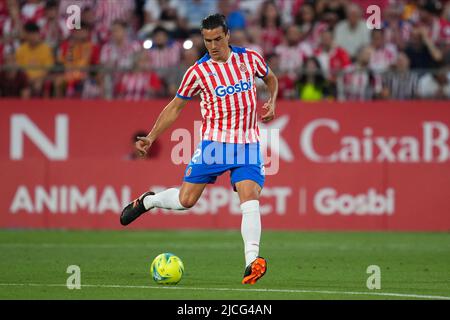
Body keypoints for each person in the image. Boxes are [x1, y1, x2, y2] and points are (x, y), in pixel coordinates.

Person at [120, 13, 278, 285]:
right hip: (213, 145)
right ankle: (149, 201)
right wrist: (152, 136)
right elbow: (175, 108)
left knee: (250, 197)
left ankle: (251, 262)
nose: (214, 45)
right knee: (186, 201)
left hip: (248, 143)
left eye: (218, 39)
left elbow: (271, 78)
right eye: (208, 41)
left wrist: (272, 101)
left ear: (228, 35)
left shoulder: (250, 58)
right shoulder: (198, 71)